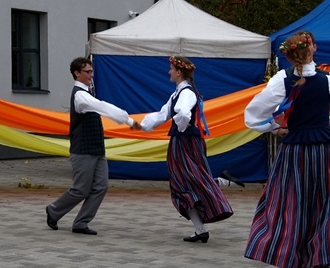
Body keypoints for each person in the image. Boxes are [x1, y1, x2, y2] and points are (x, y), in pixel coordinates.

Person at [244, 30, 330, 268]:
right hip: (325, 152)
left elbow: (252, 114)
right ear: (313, 50)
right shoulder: (329, 80)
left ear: (290, 53)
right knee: (318, 210)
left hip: (295, 152)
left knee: (289, 211)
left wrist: (275, 128)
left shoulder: (281, 80)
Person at [133, 56, 233, 243]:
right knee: (184, 183)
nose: (169, 72)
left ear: (179, 72)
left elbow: (184, 113)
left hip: (186, 143)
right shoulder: (178, 93)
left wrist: (181, 126)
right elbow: (164, 114)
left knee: (187, 182)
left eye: (171, 68)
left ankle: (221, 184)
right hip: (182, 142)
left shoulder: (186, 93)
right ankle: (200, 228)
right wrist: (142, 125)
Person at [45, 57, 138, 236]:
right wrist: (126, 119)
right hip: (82, 150)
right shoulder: (80, 96)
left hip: (96, 148)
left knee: (101, 186)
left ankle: (81, 222)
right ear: (76, 73)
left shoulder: (87, 92)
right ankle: (54, 210)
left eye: (91, 71)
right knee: (81, 189)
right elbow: (102, 107)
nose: (91, 75)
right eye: (87, 72)